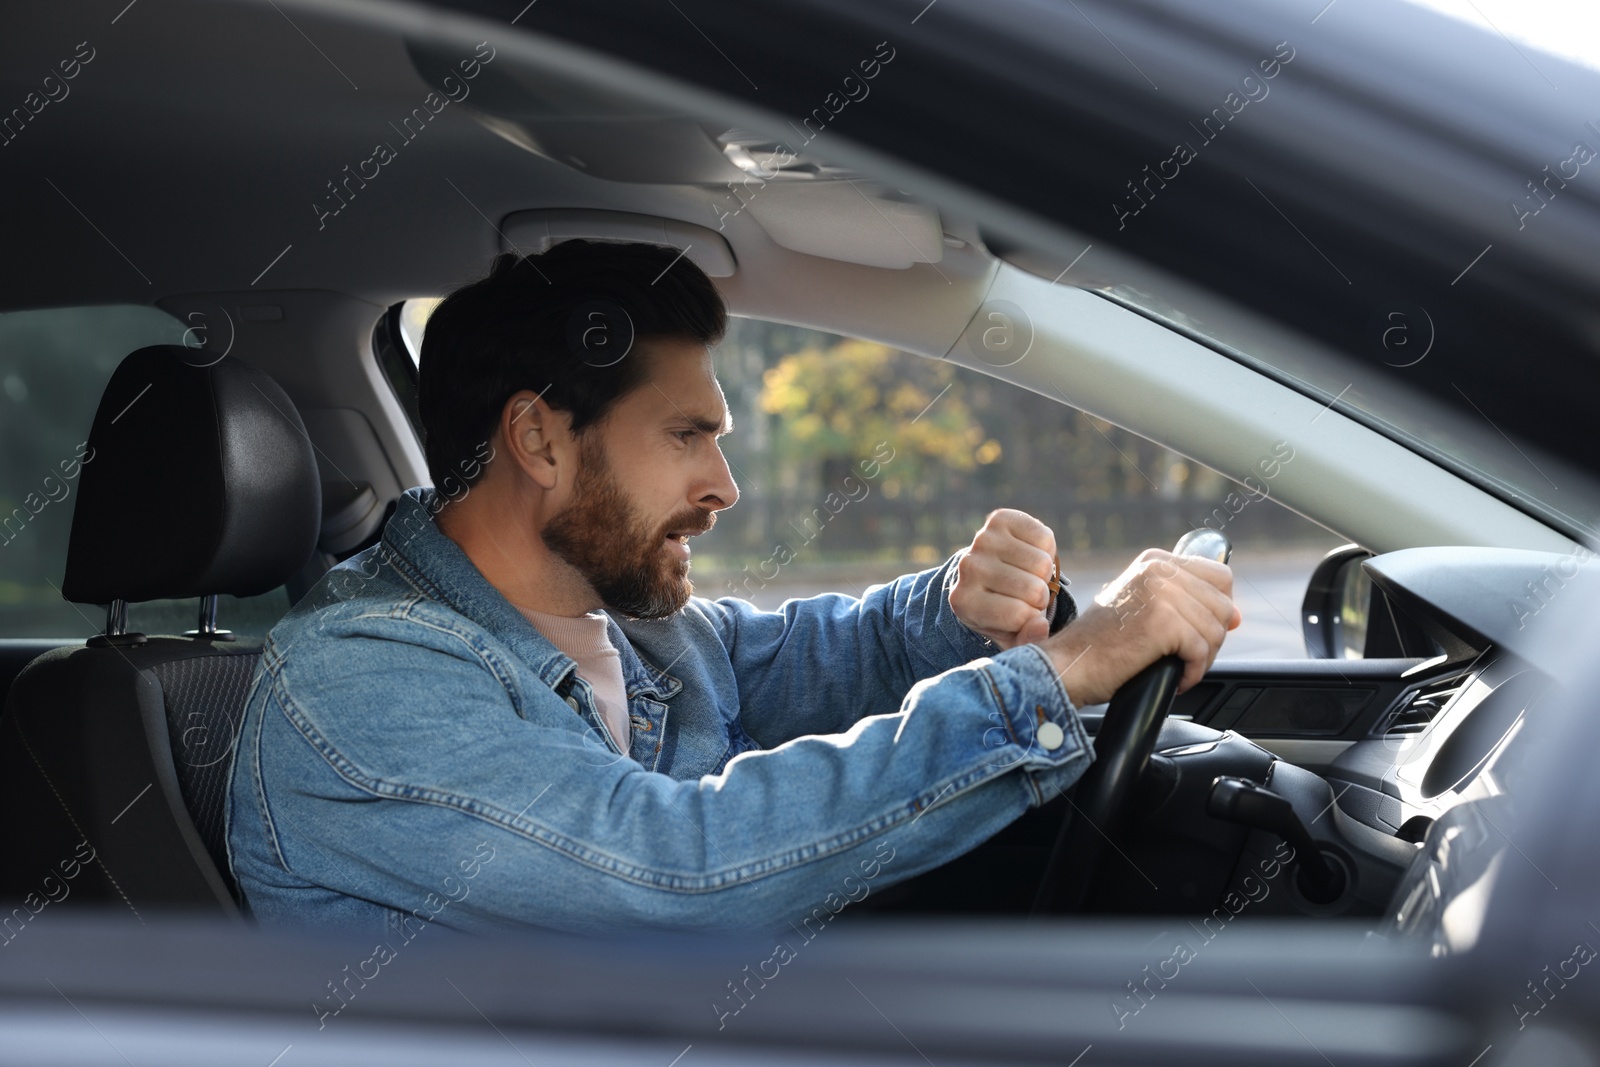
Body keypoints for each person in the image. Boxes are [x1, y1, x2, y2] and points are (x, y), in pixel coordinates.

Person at [225, 240, 1239, 941]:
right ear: (537, 438)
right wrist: (1056, 674)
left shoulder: (619, 622)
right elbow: (670, 873)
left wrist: (961, 608)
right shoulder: (359, 678)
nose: (724, 486)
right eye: (684, 436)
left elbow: (812, 655)